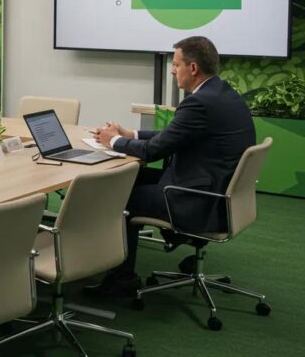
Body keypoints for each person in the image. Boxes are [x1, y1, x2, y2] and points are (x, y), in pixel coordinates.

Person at [87, 36, 255, 297]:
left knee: (120, 195)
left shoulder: (199, 102)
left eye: (176, 64)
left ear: (193, 68)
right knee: (135, 176)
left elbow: (153, 151)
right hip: (218, 193)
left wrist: (114, 141)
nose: (173, 70)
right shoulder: (222, 93)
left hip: (198, 200)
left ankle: (122, 278)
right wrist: (129, 133)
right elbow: (175, 134)